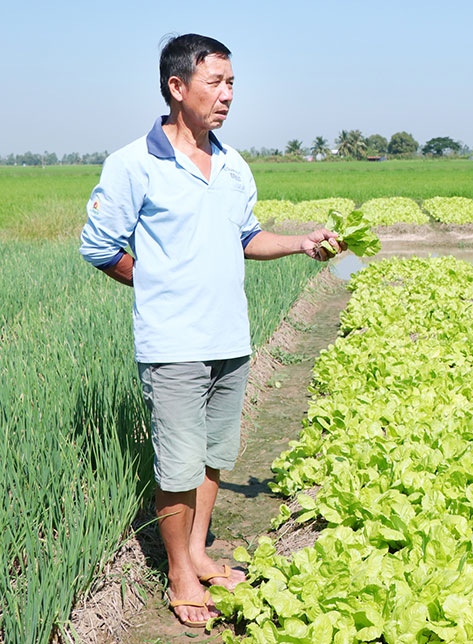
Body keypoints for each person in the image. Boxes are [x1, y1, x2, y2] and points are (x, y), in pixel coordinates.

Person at [79, 34, 345, 627]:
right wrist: (154, 285)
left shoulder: (233, 164)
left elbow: (246, 237)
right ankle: (178, 572)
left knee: (213, 456)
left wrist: (301, 243)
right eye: (216, 83)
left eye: (232, 85)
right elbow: (97, 246)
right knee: (176, 466)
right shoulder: (133, 163)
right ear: (177, 87)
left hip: (231, 338)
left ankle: (199, 551)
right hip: (173, 344)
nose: (227, 96)